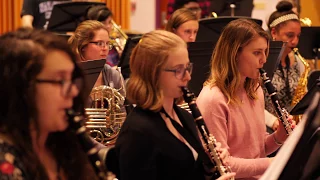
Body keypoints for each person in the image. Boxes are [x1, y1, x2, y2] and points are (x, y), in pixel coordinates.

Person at [114, 30, 235, 180]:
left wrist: (209, 167)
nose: (188, 76)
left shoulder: (185, 117)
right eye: (178, 70)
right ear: (153, 73)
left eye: (187, 67)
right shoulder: (137, 132)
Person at [196, 19, 295, 179]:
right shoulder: (213, 99)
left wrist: (278, 137)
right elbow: (222, 164)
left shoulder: (255, 90)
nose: (263, 60)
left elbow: (257, 150)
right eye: (257, 53)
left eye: (265, 52)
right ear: (234, 54)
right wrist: (272, 163)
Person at [0, 28, 98, 179]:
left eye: (72, 80)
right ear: (21, 87)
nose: (73, 92)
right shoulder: (5, 162)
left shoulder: (63, 146)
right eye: (60, 81)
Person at [265, 0, 307, 131]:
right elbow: (248, 103)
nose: (295, 41)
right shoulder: (261, 62)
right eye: (290, 36)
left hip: (290, 127)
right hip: (266, 128)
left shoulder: (298, 62)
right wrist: (273, 122)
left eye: (298, 36)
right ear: (273, 33)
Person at [68, 20, 125, 96]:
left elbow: (121, 107)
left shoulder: (113, 75)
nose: (105, 48)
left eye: (107, 43)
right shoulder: (69, 75)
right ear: (83, 45)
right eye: (99, 43)